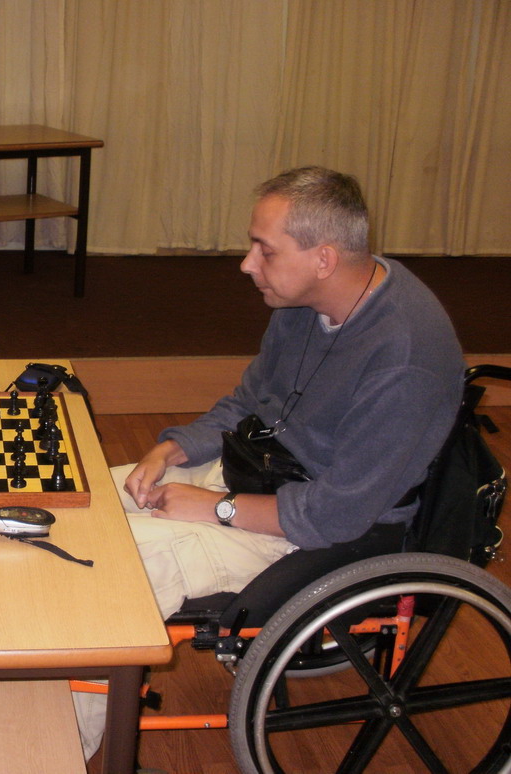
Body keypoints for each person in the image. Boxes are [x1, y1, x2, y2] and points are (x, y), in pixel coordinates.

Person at [74, 166, 465, 759]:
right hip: (264, 471)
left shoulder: (403, 360)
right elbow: (249, 402)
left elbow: (334, 516)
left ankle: (54, 747)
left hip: (317, 530)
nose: (246, 263)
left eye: (265, 249)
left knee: (118, 575)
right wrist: (173, 448)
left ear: (324, 258)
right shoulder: (308, 298)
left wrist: (216, 508)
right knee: (86, 507)